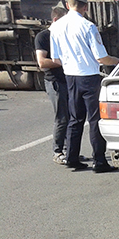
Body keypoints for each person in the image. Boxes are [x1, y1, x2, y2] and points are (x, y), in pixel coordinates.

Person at [50, 0, 119, 172]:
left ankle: (71, 158)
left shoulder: (56, 27)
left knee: (75, 119)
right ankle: (99, 161)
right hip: (89, 77)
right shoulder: (88, 26)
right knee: (95, 119)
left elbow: (55, 59)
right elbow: (101, 58)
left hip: (70, 77)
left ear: (67, 5)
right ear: (86, 6)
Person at [35, 5, 69, 165]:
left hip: (68, 80)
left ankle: (71, 152)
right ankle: (58, 151)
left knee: (72, 117)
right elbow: (42, 62)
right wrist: (64, 62)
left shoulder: (63, 36)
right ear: (55, 20)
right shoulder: (43, 37)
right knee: (62, 118)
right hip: (54, 82)